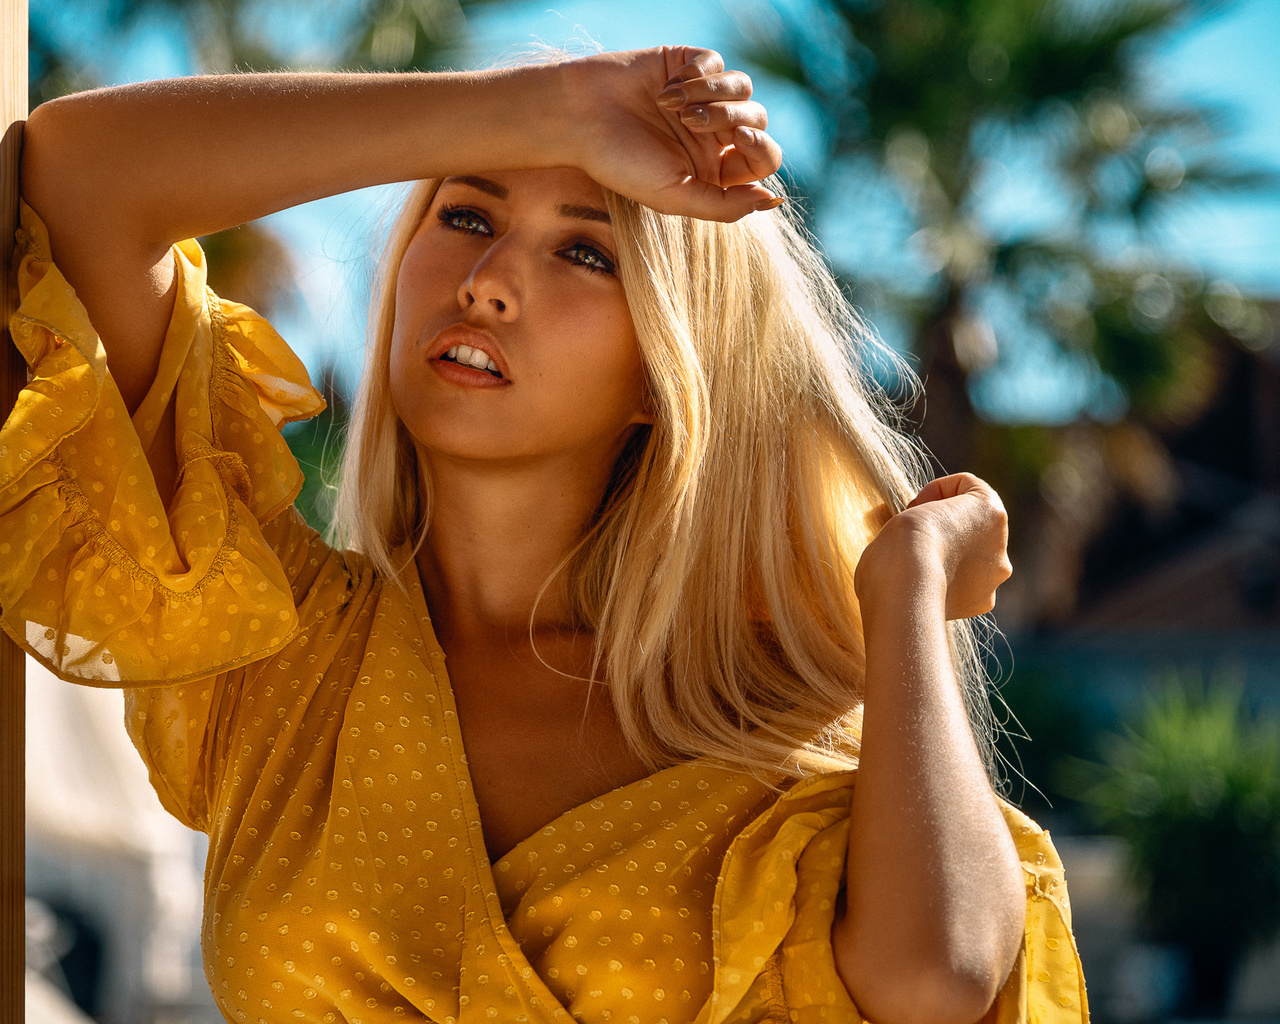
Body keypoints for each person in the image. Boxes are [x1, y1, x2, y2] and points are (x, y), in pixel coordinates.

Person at [0, 47, 1086, 1024]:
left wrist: (901, 597)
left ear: (663, 377)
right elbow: (79, 175)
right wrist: (543, 111)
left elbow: (939, 980)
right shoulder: (272, 650)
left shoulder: (767, 723)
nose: (486, 284)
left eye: (586, 255)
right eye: (466, 218)